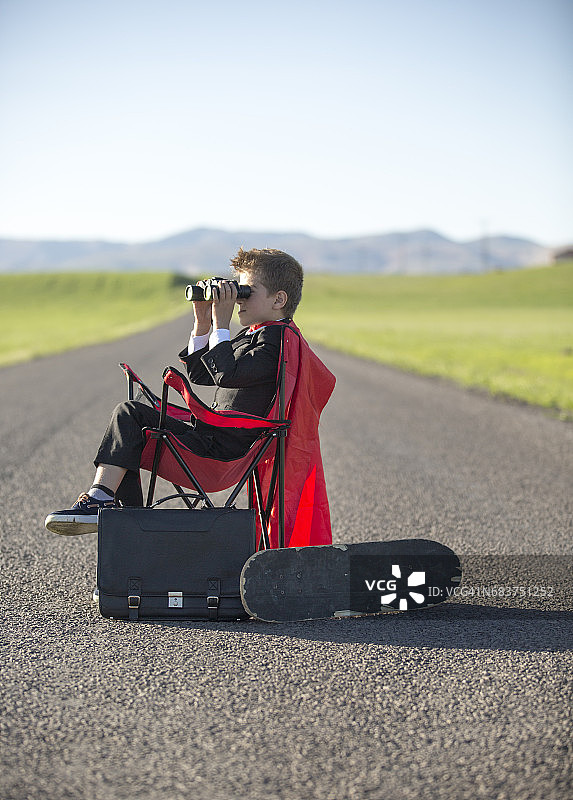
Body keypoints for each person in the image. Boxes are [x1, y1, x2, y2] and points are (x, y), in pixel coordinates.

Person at [45, 247, 304, 536]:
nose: (237, 298)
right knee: (133, 419)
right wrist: (203, 323)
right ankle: (121, 516)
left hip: (221, 455)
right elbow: (202, 374)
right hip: (210, 439)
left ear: (278, 299)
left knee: (130, 414)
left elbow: (226, 375)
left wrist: (222, 323)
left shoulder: (278, 341)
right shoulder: (258, 335)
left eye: (246, 291)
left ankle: (104, 504)